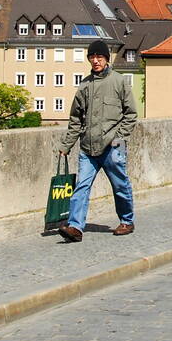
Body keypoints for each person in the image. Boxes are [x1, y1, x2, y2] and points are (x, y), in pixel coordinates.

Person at [57, 39, 138, 242]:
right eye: (92, 57)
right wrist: (66, 145)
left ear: (106, 59)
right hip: (88, 147)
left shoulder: (119, 82)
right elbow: (75, 118)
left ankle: (127, 221)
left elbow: (131, 114)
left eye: (99, 57)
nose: (95, 61)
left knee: (120, 186)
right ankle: (75, 227)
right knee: (81, 187)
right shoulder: (84, 85)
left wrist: (119, 139)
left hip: (112, 146)